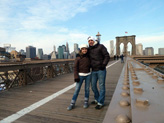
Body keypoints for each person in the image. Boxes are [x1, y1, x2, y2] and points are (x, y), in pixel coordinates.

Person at [88, 36, 110, 109]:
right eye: (89, 41)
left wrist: (103, 65)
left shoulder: (101, 46)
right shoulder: (89, 49)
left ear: (94, 40)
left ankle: (101, 102)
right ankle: (97, 99)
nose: (90, 42)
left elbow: (107, 56)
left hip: (101, 69)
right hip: (93, 70)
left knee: (101, 86)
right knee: (93, 86)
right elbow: (84, 55)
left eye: (91, 40)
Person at [67, 44, 91, 110]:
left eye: (85, 49)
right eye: (83, 49)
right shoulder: (78, 58)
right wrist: (76, 76)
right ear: (81, 50)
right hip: (80, 76)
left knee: (87, 89)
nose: (84, 50)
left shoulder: (89, 57)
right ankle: (72, 103)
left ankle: (86, 102)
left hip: (88, 75)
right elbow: (75, 68)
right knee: (77, 90)